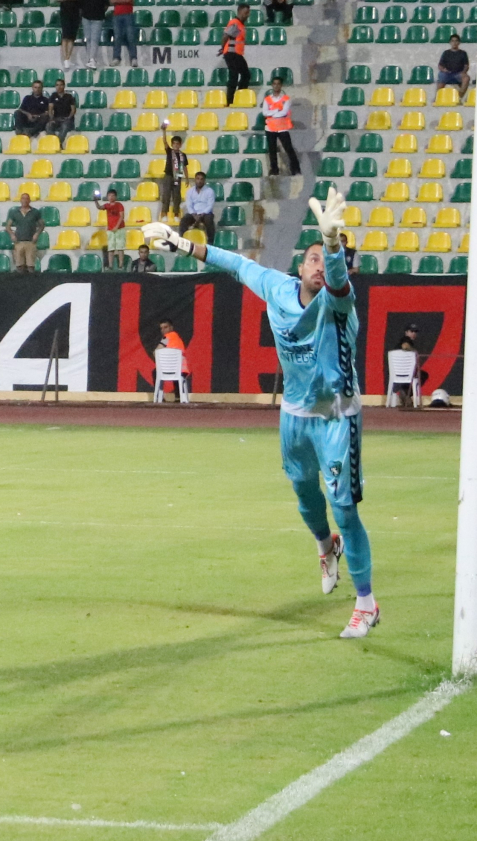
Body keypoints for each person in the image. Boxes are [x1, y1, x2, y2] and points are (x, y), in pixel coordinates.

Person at [160, 191, 378, 637]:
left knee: (345, 507)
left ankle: (366, 603)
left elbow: (338, 280)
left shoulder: (338, 303)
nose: (319, 266)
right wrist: (182, 243)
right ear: (299, 267)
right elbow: (235, 263)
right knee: (303, 493)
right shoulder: (277, 289)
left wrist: (333, 244)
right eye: (313, 259)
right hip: (295, 413)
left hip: (336, 415)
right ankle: (325, 546)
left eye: (325, 260)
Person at [258, 80, 299, 180]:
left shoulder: (286, 99)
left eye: (278, 84)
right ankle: (274, 170)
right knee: (272, 150)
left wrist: (271, 113)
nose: (276, 86)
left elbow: (284, 112)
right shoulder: (267, 99)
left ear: (281, 85)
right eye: (274, 84)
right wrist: (277, 110)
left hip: (282, 127)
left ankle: (295, 169)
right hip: (270, 128)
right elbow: (264, 113)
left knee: (289, 148)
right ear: (272, 85)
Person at [6, 191, 46, 273]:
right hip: (19, 241)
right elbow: (8, 226)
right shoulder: (15, 212)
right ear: (20, 200)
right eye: (23, 198)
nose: (25, 200)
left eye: (27, 198)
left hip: (31, 241)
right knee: (19, 266)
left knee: (30, 266)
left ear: (29, 200)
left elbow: (42, 225)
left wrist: (37, 234)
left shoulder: (35, 212)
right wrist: (12, 235)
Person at [221, 5, 253, 99]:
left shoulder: (240, 24)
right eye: (246, 12)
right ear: (239, 11)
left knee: (244, 74)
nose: (247, 15)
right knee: (236, 75)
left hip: (236, 53)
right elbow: (225, 37)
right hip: (232, 53)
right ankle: (232, 99)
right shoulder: (235, 23)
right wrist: (223, 48)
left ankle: (238, 96)